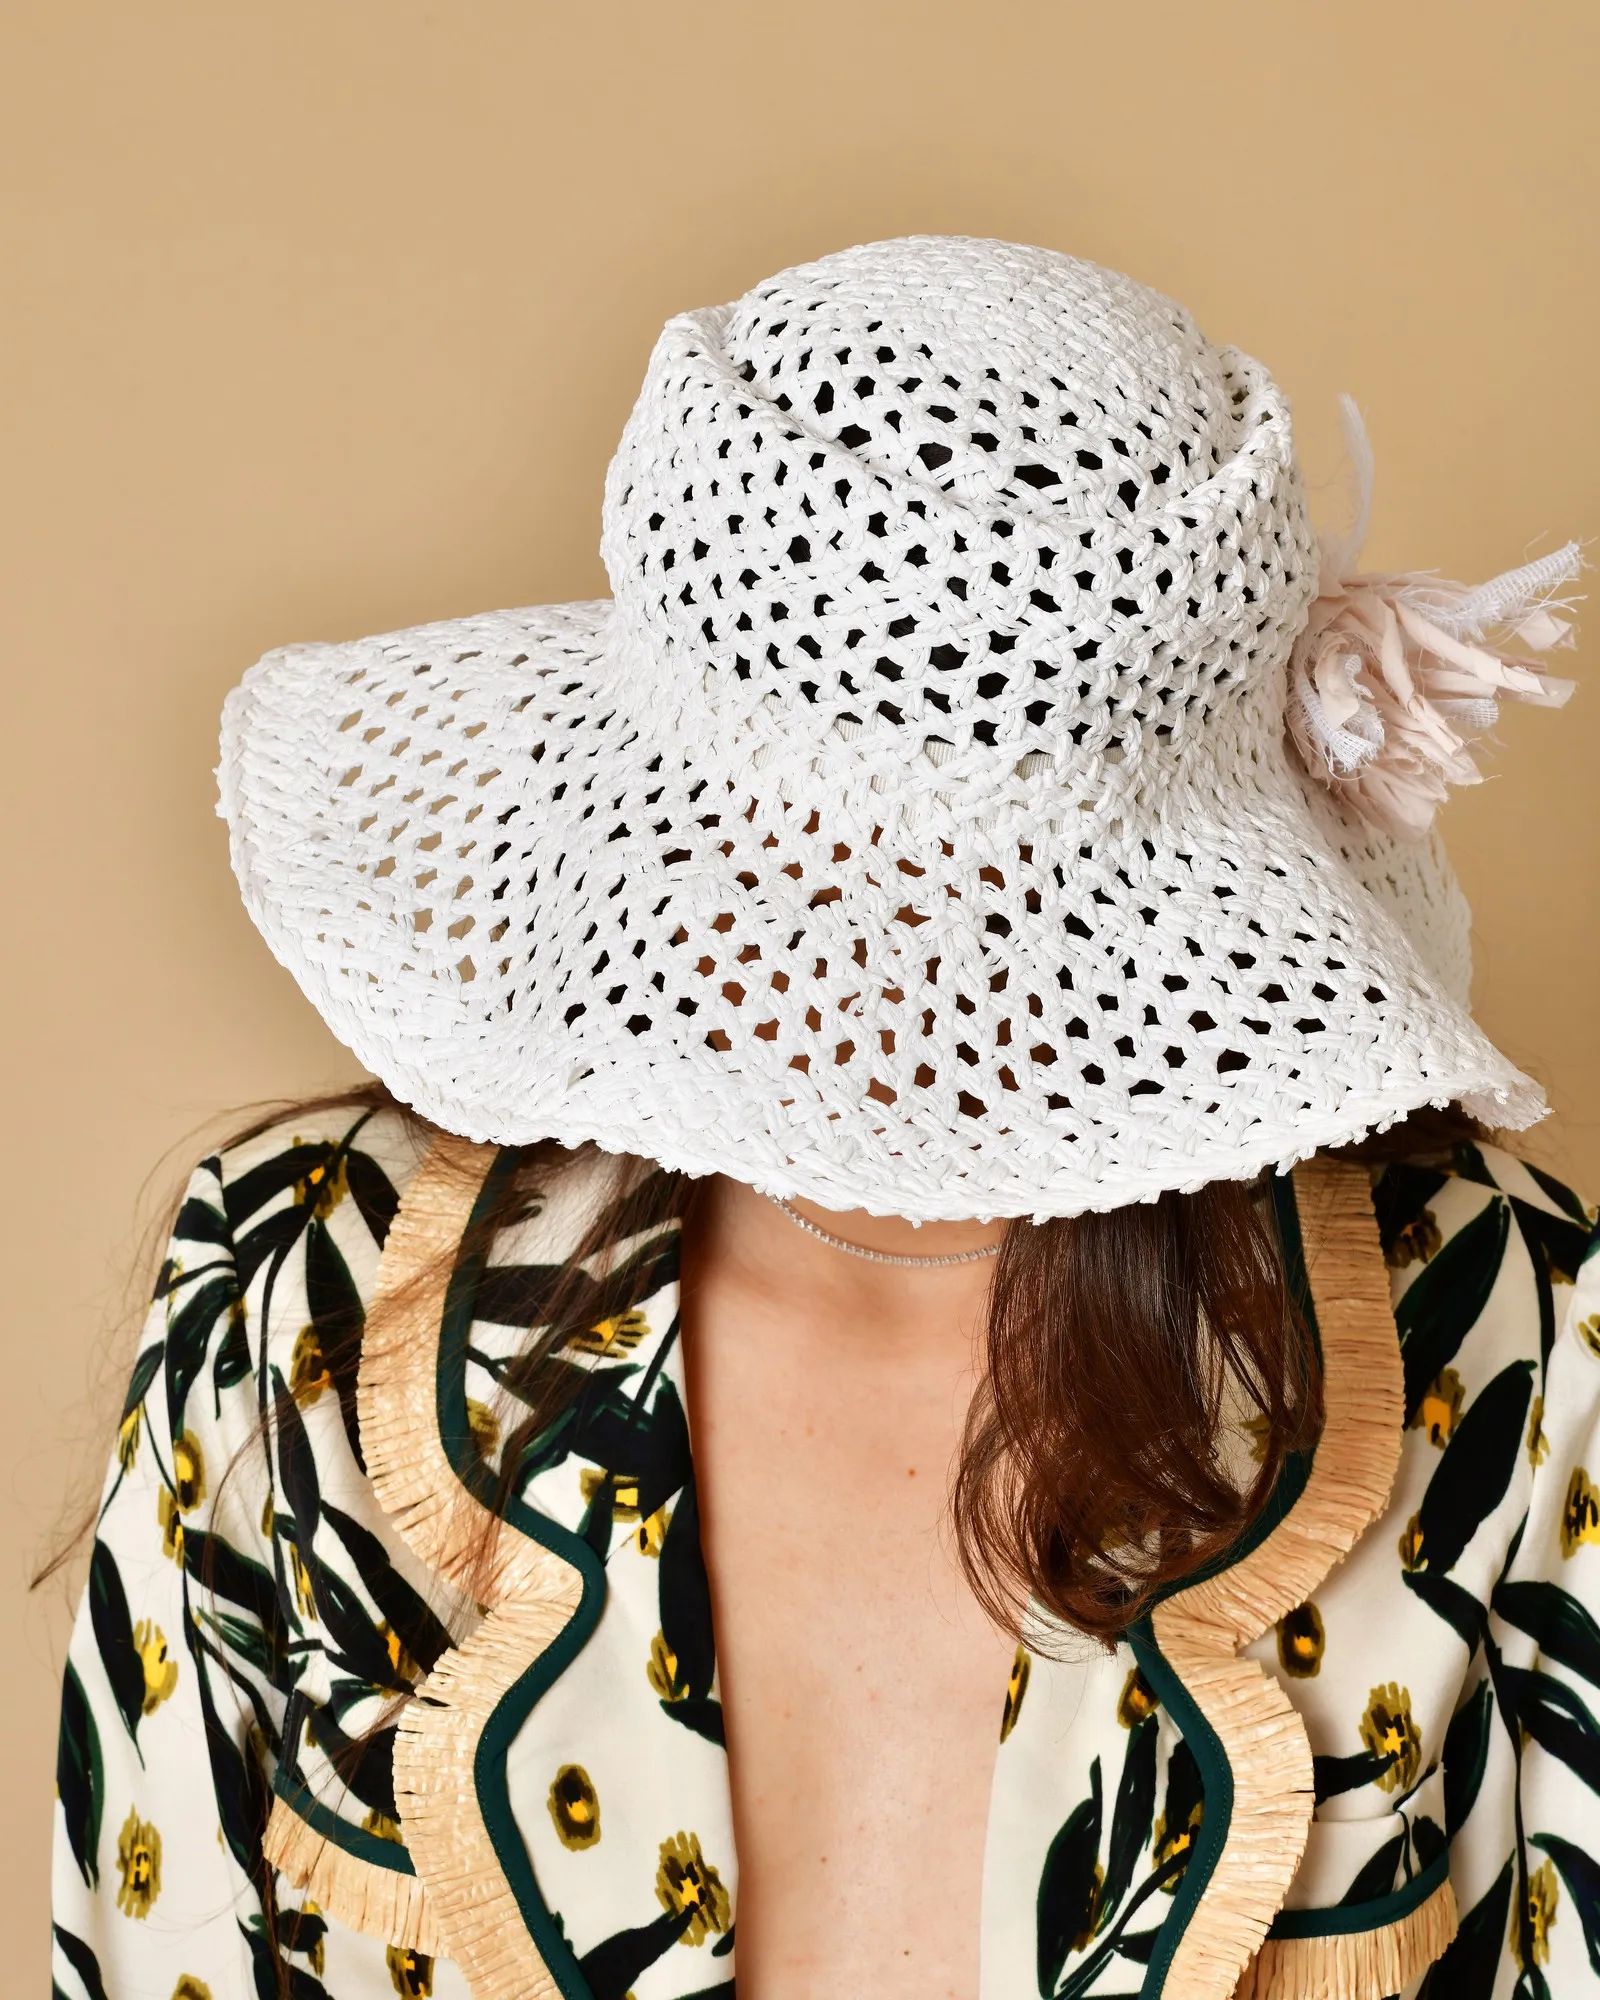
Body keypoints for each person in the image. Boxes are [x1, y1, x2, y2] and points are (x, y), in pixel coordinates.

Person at [49, 237, 1599, 2000]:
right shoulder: (298, 1308)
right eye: (812, 832)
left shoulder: (1519, 1345)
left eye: (974, 856)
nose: (872, 930)